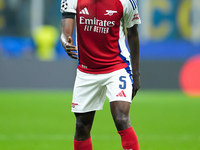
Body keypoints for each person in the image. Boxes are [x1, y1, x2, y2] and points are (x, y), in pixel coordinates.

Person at [60, 0, 141, 149]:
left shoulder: (126, 2)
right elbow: (65, 32)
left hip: (117, 66)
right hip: (86, 70)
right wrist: (66, 42)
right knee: (81, 126)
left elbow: (133, 35)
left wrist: (136, 74)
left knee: (121, 118)